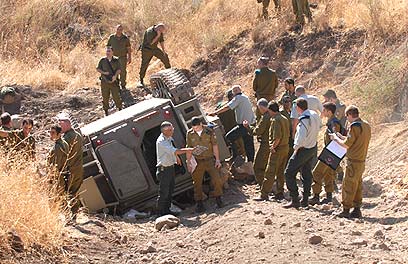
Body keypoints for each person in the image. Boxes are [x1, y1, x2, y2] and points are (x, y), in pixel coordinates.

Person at [330, 106, 371, 218]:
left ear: (349, 115)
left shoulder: (354, 126)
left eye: (347, 117)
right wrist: (341, 136)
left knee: (348, 184)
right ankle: (357, 209)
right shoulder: (366, 125)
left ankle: (346, 209)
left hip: (353, 161)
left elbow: (346, 144)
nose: (347, 119)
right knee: (357, 185)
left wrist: (335, 138)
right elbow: (355, 140)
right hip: (361, 160)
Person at [283, 98, 320, 208]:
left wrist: (296, 148)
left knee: (289, 173)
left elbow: (301, 137)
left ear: (298, 108)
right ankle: (305, 199)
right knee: (306, 173)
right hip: (312, 147)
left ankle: (295, 199)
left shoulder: (304, 119)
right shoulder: (314, 114)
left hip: (303, 149)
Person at [209, 85, 256, 167]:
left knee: (229, 137)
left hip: (243, 126)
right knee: (248, 144)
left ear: (234, 93)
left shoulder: (238, 98)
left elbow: (228, 107)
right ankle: (251, 162)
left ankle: (235, 156)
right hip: (249, 125)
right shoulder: (245, 97)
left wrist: (215, 113)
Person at [186, 117, 223, 213]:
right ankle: (199, 203)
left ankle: (218, 199)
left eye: (197, 127)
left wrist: (217, 160)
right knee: (197, 183)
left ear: (201, 124)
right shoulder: (189, 134)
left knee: (217, 179)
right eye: (194, 128)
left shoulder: (209, 131)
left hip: (209, 159)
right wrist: (189, 162)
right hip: (197, 161)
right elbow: (189, 149)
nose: (196, 129)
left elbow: (214, 145)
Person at [156, 121, 194, 216]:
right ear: (164, 131)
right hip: (163, 170)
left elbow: (171, 149)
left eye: (172, 128)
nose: (172, 131)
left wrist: (176, 157)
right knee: (164, 192)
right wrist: (188, 150)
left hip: (169, 168)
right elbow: (174, 150)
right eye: (170, 130)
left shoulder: (168, 138)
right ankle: (160, 213)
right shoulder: (161, 141)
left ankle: (167, 210)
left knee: (170, 190)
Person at [254, 101, 290, 201]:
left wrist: (273, 147)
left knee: (270, 172)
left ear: (270, 110)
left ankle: (264, 194)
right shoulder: (284, 118)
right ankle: (279, 192)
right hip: (285, 147)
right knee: (280, 171)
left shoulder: (275, 120)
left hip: (277, 149)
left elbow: (277, 137)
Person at [309, 102, 343, 205]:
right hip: (332, 151)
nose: (322, 112)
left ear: (329, 111)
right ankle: (328, 197)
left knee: (316, 173)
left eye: (324, 110)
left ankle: (316, 196)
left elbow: (335, 137)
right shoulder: (331, 122)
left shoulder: (333, 123)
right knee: (328, 174)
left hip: (331, 152)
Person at [57, 113, 83, 216]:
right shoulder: (78, 135)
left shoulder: (67, 138)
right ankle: (74, 214)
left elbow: (62, 154)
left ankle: (69, 215)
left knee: (67, 192)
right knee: (74, 192)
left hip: (70, 169)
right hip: (78, 168)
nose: (60, 127)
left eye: (61, 125)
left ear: (66, 125)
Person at [323, 89, 347, 183]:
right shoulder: (333, 107)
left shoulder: (340, 107)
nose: (325, 102)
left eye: (326, 100)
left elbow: (337, 118)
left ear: (332, 98)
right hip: (333, 132)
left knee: (332, 155)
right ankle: (337, 172)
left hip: (338, 133)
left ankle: (338, 173)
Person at [249, 99, 271, 186]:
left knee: (257, 166)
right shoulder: (273, 114)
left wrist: (248, 127)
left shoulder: (265, 117)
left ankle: (263, 185)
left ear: (261, 107)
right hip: (272, 143)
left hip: (265, 144)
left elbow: (258, 131)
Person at [96, 46, 123, 116]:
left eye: (109, 51)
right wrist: (104, 73)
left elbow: (119, 69)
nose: (107, 53)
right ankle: (106, 111)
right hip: (104, 82)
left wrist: (115, 76)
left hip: (114, 82)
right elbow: (98, 69)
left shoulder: (116, 60)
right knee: (105, 97)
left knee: (116, 96)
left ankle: (120, 109)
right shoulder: (102, 60)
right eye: (107, 51)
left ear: (112, 52)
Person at [253, 56, 278, 121]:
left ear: (262, 63)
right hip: (270, 97)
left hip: (260, 97)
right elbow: (276, 85)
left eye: (258, 63)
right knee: (270, 114)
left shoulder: (258, 73)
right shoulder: (273, 73)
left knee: (260, 116)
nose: (257, 65)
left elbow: (254, 87)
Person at [107, 24, 132, 89]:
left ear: (122, 30)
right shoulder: (112, 37)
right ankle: (116, 84)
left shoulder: (125, 38)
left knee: (123, 71)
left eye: (120, 29)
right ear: (116, 29)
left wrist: (129, 57)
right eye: (118, 29)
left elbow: (129, 48)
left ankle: (123, 85)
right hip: (114, 57)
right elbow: (108, 47)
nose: (119, 31)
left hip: (122, 57)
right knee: (114, 71)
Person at [47, 124, 69, 193]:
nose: (51, 134)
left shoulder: (57, 147)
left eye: (53, 133)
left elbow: (55, 166)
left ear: (59, 134)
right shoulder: (64, 143)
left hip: (58, 179)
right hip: (63, 176)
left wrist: (50, 179)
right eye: (50, 132)